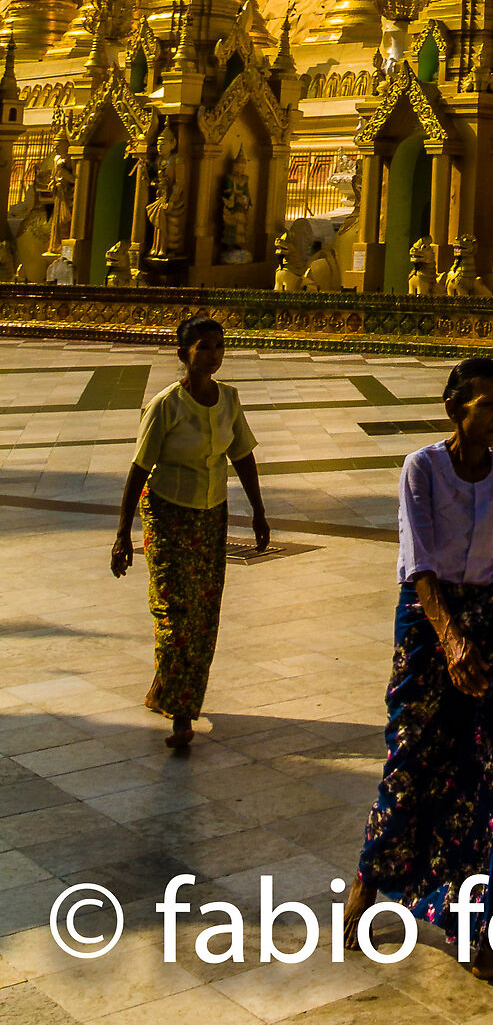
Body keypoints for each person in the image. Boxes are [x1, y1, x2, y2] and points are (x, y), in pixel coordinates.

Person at [345, 355, 493, 990]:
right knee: (413, 760)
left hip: (486, 619)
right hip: (427, 618)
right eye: (488, 404)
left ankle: (478, 933)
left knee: (489, 774)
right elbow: (421, 561)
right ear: (453, 409)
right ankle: (370, 876)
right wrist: (449, 637)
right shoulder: (422, 467)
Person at [110, 315, 268, 754]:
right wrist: (123, 533)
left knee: (202, 610)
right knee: (172, 607)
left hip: (211, 513)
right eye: (203, 347)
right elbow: (139, 469)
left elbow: (243, 457)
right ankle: (182, 713)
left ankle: (171, 688)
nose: (213, 355)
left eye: (219, 346)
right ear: (184, 353)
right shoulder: (166, 405)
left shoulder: (230, 400)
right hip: (165, 512)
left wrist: (258, 512)